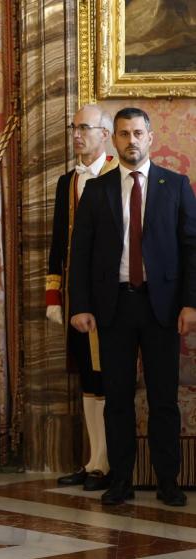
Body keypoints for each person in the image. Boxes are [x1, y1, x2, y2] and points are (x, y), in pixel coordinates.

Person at [69, 107, 196, 507]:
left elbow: (192, 250)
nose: (131, 140)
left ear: (151, 137)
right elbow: (81, 254)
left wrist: (191, 304)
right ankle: (120, 480)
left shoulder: (175, 186)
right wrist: (80, 305)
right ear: (115, 138)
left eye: (138, 133)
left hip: (163, 310)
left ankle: (168, 481)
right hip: (113, 309)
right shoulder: (98, 190)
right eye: (123, 134)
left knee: (163, 400)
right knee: (118, 399)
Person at [46, 105, 118, 491]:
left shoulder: (116, 177)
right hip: (77, 300)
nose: (76, 134)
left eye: (84, 127)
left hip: (111, 300)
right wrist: (54, 296)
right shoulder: (65, 182)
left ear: (104, 134)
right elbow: (58, 243)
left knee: (108, 379)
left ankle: (108, 464)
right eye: (73, 127)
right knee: (87, 379)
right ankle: (94, 460)